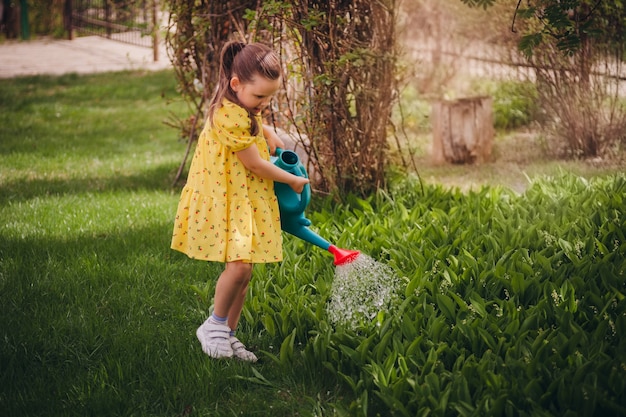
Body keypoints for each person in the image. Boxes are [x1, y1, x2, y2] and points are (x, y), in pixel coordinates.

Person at [171, 41, 309, 362]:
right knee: (239, 267)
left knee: (244, 273)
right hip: (227, 199)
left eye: (269, 97)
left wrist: (268, 131)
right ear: (236, 84)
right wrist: (291, 179)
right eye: (259, 96)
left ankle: (228, 334)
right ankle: (214, 326)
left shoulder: (243, 108)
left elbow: (253, 123)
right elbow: (255, 164)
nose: (264, 103)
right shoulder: (228, 116)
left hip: (241, 197)